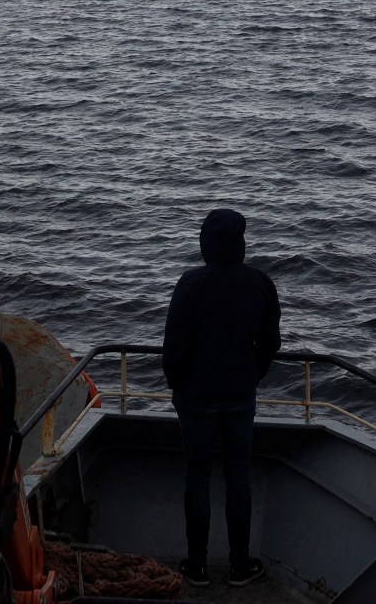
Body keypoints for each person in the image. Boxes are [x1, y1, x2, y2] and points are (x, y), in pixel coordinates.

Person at [162, 208, 282, 588]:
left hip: (195, 397)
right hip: (240, 394)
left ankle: (196, 566)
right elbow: (271, 341)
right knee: (238, 477)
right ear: (240, 243)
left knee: (197, 477)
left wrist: (178, 385)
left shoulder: (190, 284)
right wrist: (252, 375)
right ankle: (240, 566)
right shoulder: (260, 283)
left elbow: (174, 347)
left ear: (205, 243)